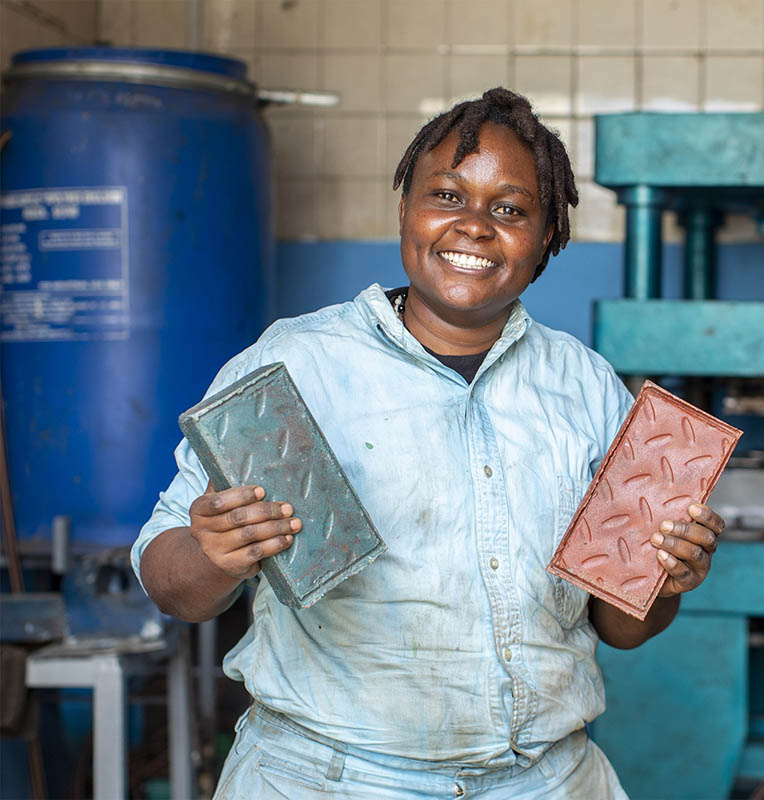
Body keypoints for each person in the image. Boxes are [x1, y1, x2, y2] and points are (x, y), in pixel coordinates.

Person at [132, 87, 726, 799]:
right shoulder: (296, 366)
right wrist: (210, 553)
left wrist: (664, 576)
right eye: (446, 196)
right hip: (326, 779)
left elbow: (621, 628)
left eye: (510, 210)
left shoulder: (585, 386)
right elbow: (172, 586)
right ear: (406, 210)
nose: (474, 226)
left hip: (545, 780)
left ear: (545, 239)